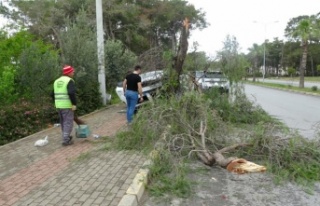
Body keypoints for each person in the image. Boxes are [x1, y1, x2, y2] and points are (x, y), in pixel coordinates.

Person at [52, 65, 77, 146]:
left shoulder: (56, 81)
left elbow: (52, 94)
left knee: (63, 122)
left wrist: (57, 101)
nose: (73, 72)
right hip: (67, 105)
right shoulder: (69, 81)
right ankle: (65, 140)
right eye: (72, 71)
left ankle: (66, 136)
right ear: (68, 73)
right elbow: (71, 93)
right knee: (68, 122)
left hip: (58, 105)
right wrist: (74, 104)